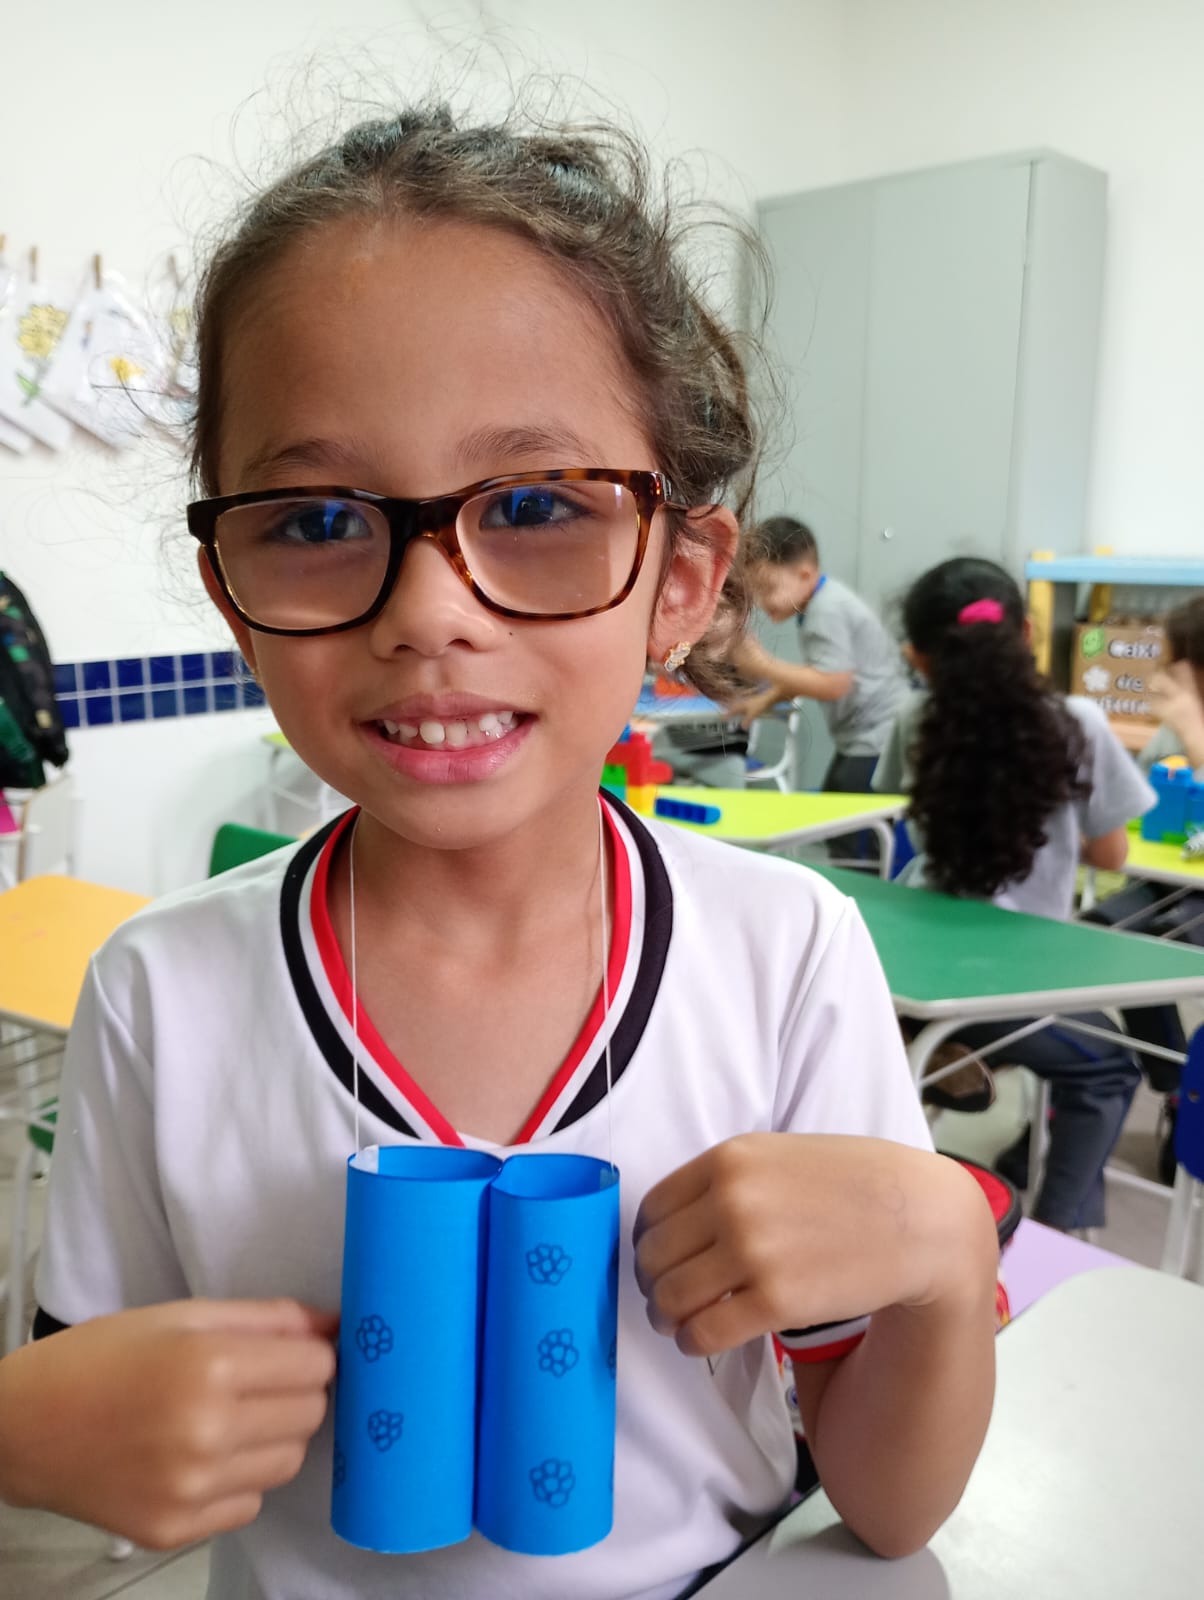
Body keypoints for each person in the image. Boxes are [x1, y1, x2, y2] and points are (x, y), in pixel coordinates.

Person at [0, 104, 997, 1599]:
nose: (428, 612)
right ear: (230, 591)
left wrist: (943, 1255)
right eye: (317, 519)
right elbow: (108, 1444)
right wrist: (19, 1437)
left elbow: (892, 1510)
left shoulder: (784, 955)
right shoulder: (161, 989)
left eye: (534, 506)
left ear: (680, 583)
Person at [875, 557, 1155, 1232]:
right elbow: (1111, 855)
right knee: (1109, 1069)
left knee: (990, 1031)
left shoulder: (916, 718)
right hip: (1011, 978)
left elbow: (900, 809)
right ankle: (1051, 1236)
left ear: (919, 655)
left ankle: (938, 1046)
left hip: (906, 959)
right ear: (1026, 633)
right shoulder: (1077, 722)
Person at [731, 517, 905, 795]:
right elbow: (815, 675)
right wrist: (765, 700)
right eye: (757, 592)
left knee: (847, 817)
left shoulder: (826, 610)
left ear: (805, 575)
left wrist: (762, 665)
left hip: (876, 736)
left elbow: (833, 684)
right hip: (866, 735)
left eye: (769, 589)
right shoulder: (824, 601)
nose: (763, 602)